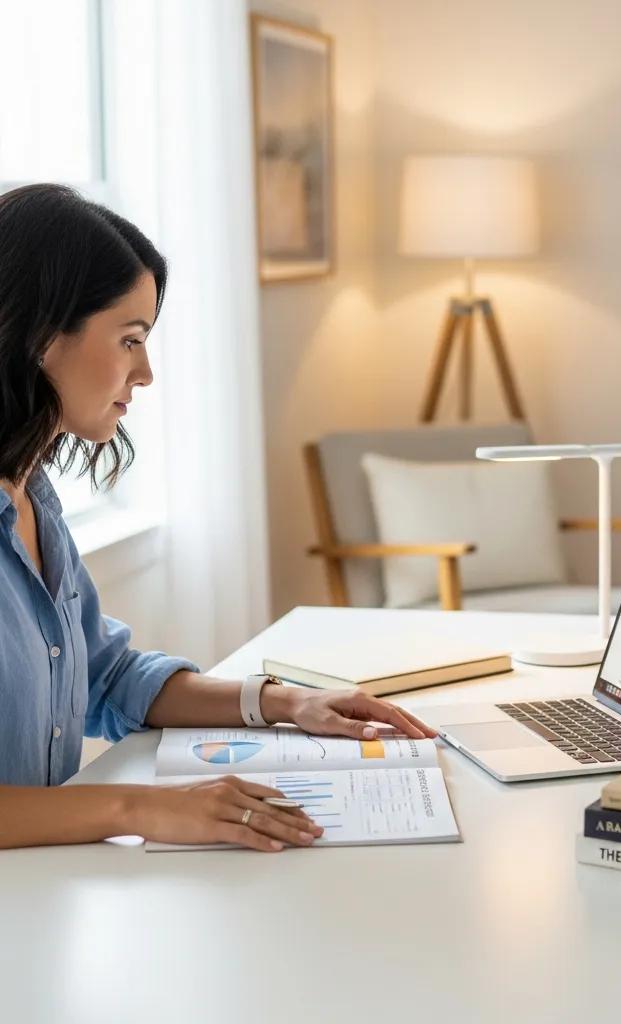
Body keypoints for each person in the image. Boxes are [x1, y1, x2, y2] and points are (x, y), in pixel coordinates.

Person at [0, 184, 436, 852]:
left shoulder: (35, 499)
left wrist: (286, 703)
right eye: (129, 339)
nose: (144, 371)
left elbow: (107, 676)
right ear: (40, 335)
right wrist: (141, 809)